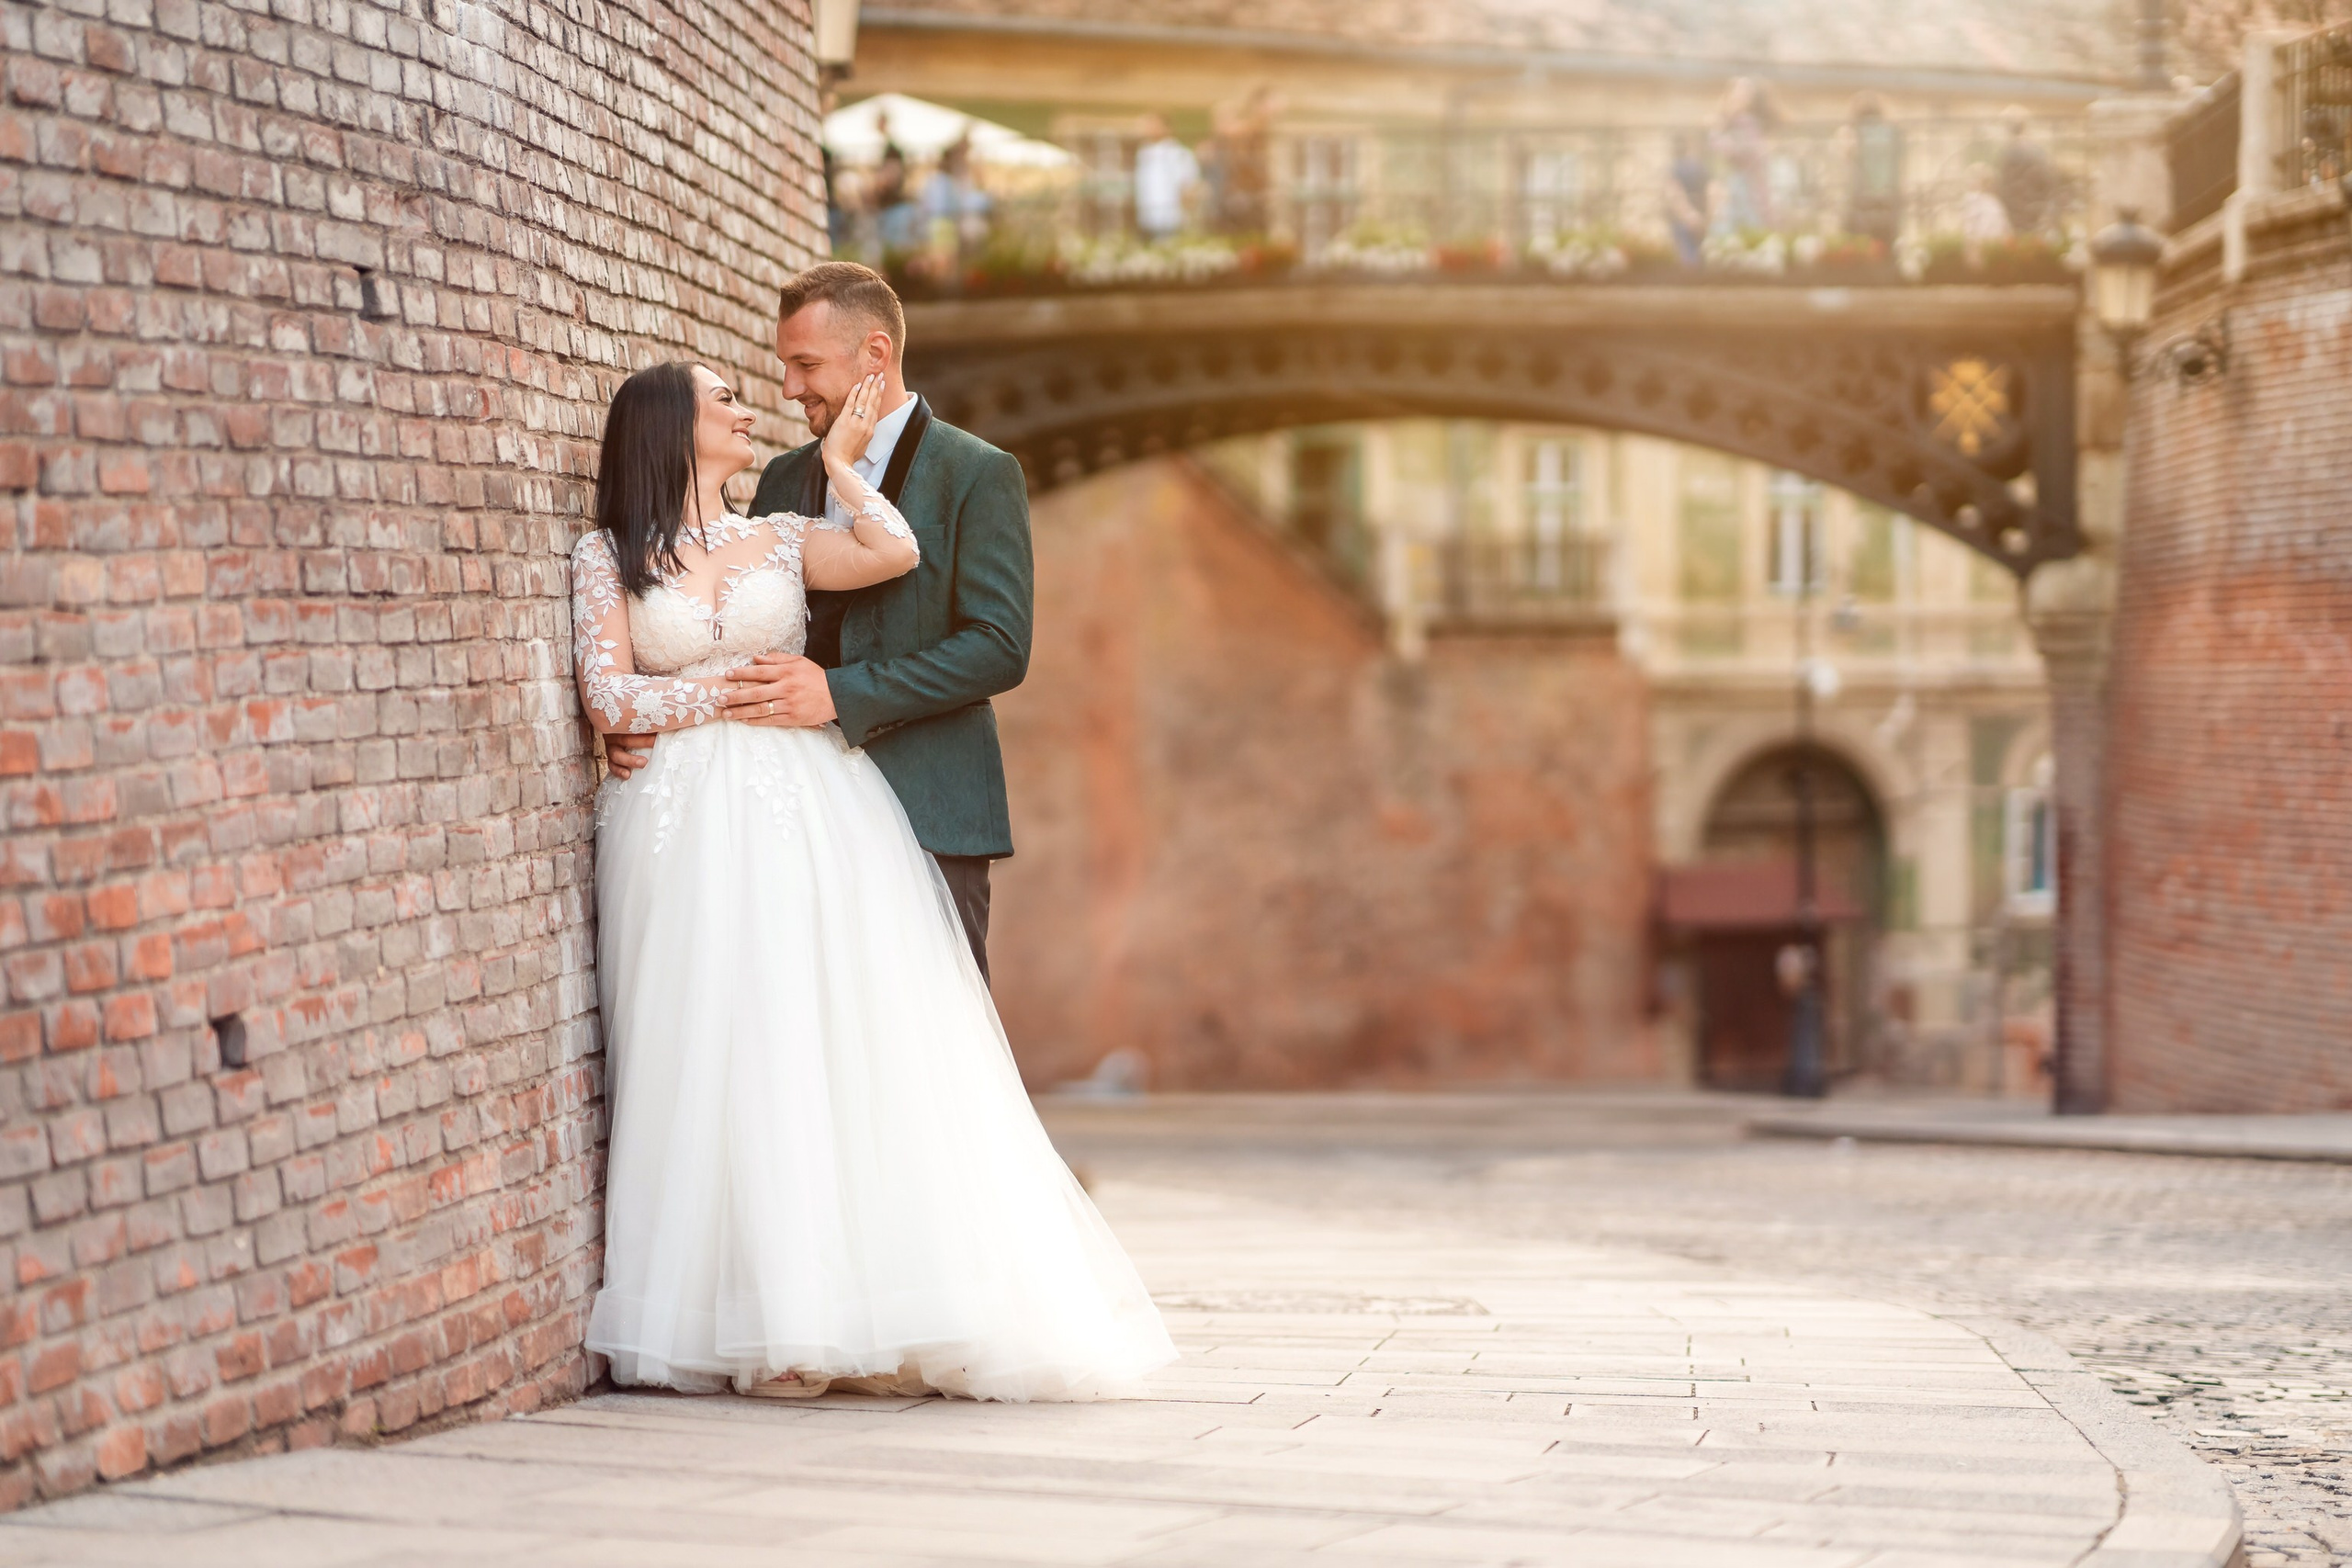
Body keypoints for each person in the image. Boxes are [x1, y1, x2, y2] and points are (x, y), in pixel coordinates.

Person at [577, 273, 1175, 1401]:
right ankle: (819, 1303)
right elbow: (707, 607)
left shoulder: (977, 473)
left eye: (804, 366)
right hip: (772, 810)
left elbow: (998, 644)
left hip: (924, 800)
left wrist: (835, 696)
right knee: (792, 1064)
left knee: (921, 1065)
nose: (786, 387)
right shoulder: (782, 485)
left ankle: (943, 1310)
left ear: (873, 357)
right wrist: (672, 718)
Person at [1711, 76, 1781, 232]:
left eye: (1748, 93)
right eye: (1741, 92)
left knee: (1754, 227)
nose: (1744, 96)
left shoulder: (1751, 122)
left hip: (1753, 184)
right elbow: (1717, 146)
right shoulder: (1721, 119)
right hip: (1729, 183)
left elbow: (1760, 152)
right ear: (1731, 94)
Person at [1843, 92, 1904, 248]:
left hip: (1862, 193)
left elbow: (1847, 154)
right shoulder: (1891, 131)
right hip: (1888, 191)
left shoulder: (1855, 131)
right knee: (1887, 240)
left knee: (1858, 241)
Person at [1132, 113, 1200, 243]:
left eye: (1155, 125)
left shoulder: (1180, 153)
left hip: (1172, 214)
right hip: (1146, 214)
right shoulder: (1142, 153)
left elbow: (1189, 184)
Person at [1994, 107, 2060, 237]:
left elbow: (2003, 184)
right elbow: (2049, 181)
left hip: (2019, 209)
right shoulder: (2037, 150)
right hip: (2032, 208)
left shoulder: (2008, 152)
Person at [1664, 130, 1710, 266]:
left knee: (1687, 257)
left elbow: (1674, 194)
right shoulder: (1699, 166)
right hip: (1701, 216)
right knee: (1700, 255)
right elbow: (1711, 190)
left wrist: (1689, 215)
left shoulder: (1674, 168)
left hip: (1682, 219)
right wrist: (1706, 217)